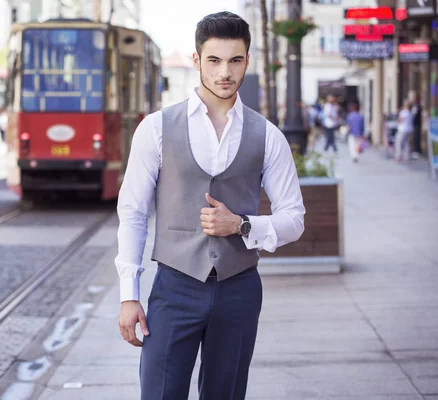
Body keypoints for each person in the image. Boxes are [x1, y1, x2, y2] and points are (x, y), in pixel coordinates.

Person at [116, 12, 305, 400]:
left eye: (235, 60)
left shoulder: (267, 136)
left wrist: (242, 224)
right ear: (196, 59)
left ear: (247, 62)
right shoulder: (155, 128)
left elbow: (295, 218)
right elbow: (133, 212)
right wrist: (129, 294)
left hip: (239, 290)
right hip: (174, 288)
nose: (225, 72)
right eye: (215, 60)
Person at [409, 90, 422, 159]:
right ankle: (414, 150)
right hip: (412, 123)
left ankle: (417, 151)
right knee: (414, 137)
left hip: (417, 123)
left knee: (417, 137)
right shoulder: (411, 105)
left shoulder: (419, 105)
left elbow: (418, 112)